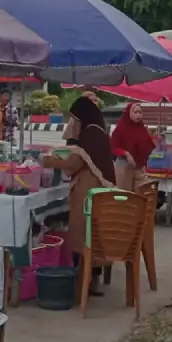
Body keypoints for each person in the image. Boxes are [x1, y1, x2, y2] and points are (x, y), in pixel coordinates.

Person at [44, 97, 117, 291]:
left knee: (84, 234)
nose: (73, 122)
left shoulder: (90, 134)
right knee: (94, 234)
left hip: (89, 190)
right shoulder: (96, 130)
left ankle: (84, 281)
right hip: (98, 188)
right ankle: (92, 279)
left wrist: (46, 161)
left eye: (75, 118)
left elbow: (74, 163)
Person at [111, 102, 155, 190]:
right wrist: (126, 153)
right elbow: (113, 146)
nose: (138, 115)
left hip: (139, 166)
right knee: (125, 193)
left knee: (141, 192)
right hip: (124, 165)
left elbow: (148, 146)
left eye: (140, 112)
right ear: (129, 113)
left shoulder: (142, 128)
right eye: (135, 112)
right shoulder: (121, 128)